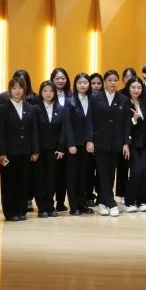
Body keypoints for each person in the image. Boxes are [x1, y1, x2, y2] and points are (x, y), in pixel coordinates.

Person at [89, 69, 129, 216]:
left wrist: (126, 142)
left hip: (116, 141)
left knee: (111, 172)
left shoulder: (123, 99)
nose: (113, 83)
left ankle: (102, 202)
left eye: (115, 80)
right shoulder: (94, 98)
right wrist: (90, 139)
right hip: (99, 140)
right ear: (105, 82)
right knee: (102, 172)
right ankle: (111, 202)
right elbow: (90, 120)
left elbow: (126, 122)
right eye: (110, 80)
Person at [30, 80, 66, 219]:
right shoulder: (35, 109)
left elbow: (63, 130)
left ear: (55, 93)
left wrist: (61, 147)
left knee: (52, 179)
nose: (48, 93)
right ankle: (42, 207)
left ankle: (50, 206)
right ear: (41, 93)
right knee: (40, 179)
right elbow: (33, 131)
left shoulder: (61, 109)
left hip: (55, 151)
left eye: (51, 91)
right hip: (39, 151)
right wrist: (35, 150)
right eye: (45, 91)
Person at [61, 73, 94, 216]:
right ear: (75, 85)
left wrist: (90, 140)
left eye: (85, 82)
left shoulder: (93, 99)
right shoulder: (70, 101)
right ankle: (74, 206)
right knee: (72, 176)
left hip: (87, 144)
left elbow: (92, 123)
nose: (82, 85)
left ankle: (83, 204)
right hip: (74, 144)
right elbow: (67, 125)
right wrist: (71, 144)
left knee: (84, 175)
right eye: (79, 82)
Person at [121, 77, 146, 213]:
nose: (136, 90)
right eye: (133, 87)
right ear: (128, 88)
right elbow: (122, 124)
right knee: (136, 171)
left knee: (145, 171)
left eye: (139, 87)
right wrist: (134, 119)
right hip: (132, 143)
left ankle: (141, 201)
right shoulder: (124, 102)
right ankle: (128, 202)